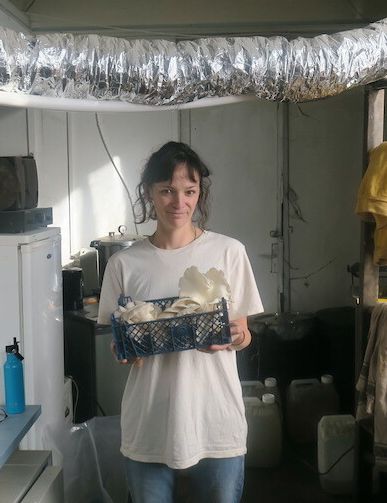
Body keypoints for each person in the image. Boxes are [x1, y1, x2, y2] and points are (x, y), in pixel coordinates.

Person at [97, 141, 264, 503]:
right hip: (149, 423)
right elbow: (118, 344)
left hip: (215, 419)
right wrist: (124, 351)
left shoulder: (229, 251)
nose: (179, 202)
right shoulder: (124, 264)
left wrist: (238, 336)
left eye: (189, 191)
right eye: (167, 190)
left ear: (199, 193)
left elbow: (243, 334)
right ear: (149, 193)